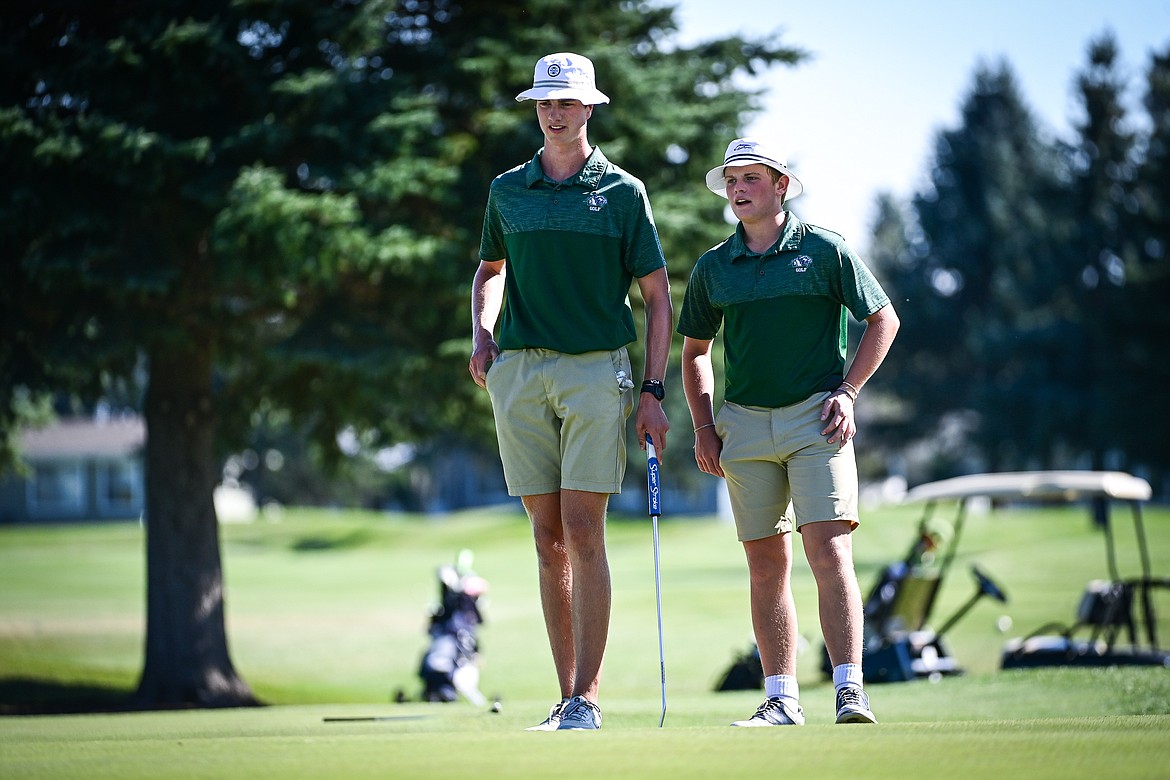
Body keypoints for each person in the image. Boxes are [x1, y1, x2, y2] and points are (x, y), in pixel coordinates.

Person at [468, 52, 672, 731]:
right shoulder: (507, 189)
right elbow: (490, 269)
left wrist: (652, 388)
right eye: (545, 102)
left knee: (584, 529)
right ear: (538, 109)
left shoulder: (620, 191)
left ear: (589, 107)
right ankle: (566, 700)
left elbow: (655, 293)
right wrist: (483, 333)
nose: (555, 112)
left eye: (567, 101)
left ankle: (588, 697)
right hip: (519, 370)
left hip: (595, 370)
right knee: (546, 537)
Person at [677, 137, 899, 727]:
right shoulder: (713, 266)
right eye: (731, 180)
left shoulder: (825, 250)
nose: (738, 189)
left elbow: (882, 319)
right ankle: (781, 698)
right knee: (764, 565)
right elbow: (695, 351)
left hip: (816, 419)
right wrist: (703, 425)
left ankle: (851, 690)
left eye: (751, 177)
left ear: (780, 185)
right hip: (742, 427)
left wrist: (848, 393)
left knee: (828, 550)